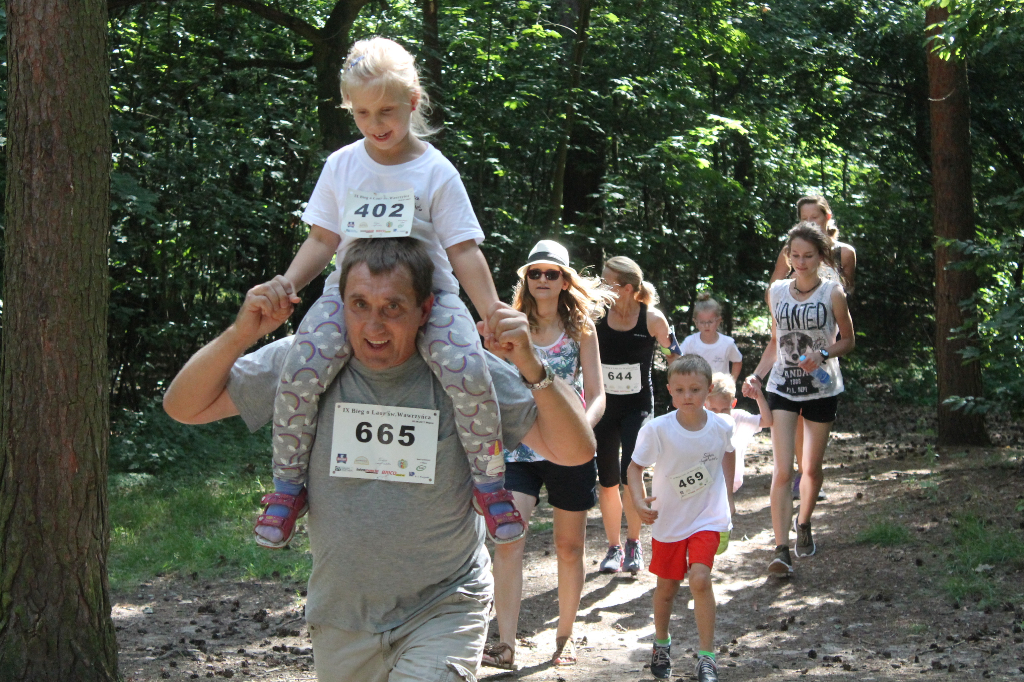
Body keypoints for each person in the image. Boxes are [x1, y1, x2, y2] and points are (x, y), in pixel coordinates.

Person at [163, 238, 596, 682]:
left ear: (425, 309)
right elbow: (185, 406)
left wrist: (532, 366)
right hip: (342, 618)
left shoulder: (467, 374)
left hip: (444, 607)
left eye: (393, 307)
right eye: (359, 304)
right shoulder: (304, 366)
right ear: (339, 305)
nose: (374, 325)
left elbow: (575, 450)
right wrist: (241, 334)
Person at [251, 37, 525, 549]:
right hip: (349, 295)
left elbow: (463, 250)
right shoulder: (342, 165)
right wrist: (288, 283)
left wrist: (491, 310)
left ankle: (488, 483)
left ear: (413, 103)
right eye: (362, 112)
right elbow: (322, 239)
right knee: (302, 365)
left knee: (467, 369)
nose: (376, 123)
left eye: (386, 110)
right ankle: (287, 487)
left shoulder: (435, 172)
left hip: (431, 297)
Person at [482, 241, 614, 670]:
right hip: (519, 447)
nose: (542, 279)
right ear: (526, 279)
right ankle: (504, 643)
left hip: (571, 451)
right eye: (535, 272)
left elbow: (596, 395)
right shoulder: (509, 325)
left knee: (570, 547)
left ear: (565, 280)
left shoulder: (582, 330)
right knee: (508, 539)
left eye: (551, 273)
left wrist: (578, 435)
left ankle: (565, 637)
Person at [743, 222, 855, 576]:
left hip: (822, 388)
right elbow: (776, 342)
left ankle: (803, 521)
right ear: (787, 257)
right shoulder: (776, 292)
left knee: (810, 468)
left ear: (821, 256)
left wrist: (822, 353)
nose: (801, 263)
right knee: (782, 470)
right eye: (795, 256)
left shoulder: (833, 293)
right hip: (782, 388)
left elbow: (848, 340)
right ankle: (780, 550)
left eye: (808, 256)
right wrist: (757, 376)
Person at [627, 355, 735, 682]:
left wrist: (727, 498)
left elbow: (728, 454)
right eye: (680, 390)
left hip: (707, 517)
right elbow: (634, 468)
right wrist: (637, 499)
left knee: (700, 579)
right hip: (669, 520)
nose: (688, 396)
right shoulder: (657, 429)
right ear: (670, 392)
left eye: (695, 389)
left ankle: (707, 657)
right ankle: (661, 642)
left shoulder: (721, 427)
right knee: (667, 588)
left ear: (708, 390)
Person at [594, 256, 679, 575]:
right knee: (607, 480)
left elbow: (675, 358)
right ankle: (613, 547)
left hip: (638, 405)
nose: (600, 287)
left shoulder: (653, 319)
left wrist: (685, 396)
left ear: (627, 289)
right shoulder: (595, 316)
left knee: (632, 469)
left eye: (607, 282)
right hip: (603, 406)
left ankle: (633, 543)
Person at [768, 195, 857, 500]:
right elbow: (776, 288)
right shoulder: (792, 252)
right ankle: (798, 475)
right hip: (795, 334)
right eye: (803, 218)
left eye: (814, 218)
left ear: (827, 216)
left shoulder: (844, 253)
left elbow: (847, 291)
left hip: (825, 337)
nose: (809, 223)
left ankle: (810, 470)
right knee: (794, 406)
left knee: (817, 403)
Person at [705, 373, 772, 494]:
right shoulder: (701, 420)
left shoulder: (739, 417)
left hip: (731, 482)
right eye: (713, 410)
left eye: (725, 410)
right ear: (705, 404)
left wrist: (759, 396)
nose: (719, 415)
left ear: (733, 404)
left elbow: (767, 421)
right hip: (706, 483)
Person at [679, 293, 743, 384]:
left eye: (710, 321)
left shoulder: (727, 343)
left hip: (720, 393)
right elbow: (677, 360)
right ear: (695, 322)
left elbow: (737, 361)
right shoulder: (690, 342)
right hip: (697, 391)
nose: (706, 325)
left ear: (718, 321)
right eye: (702, 322)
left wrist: (731, 382)